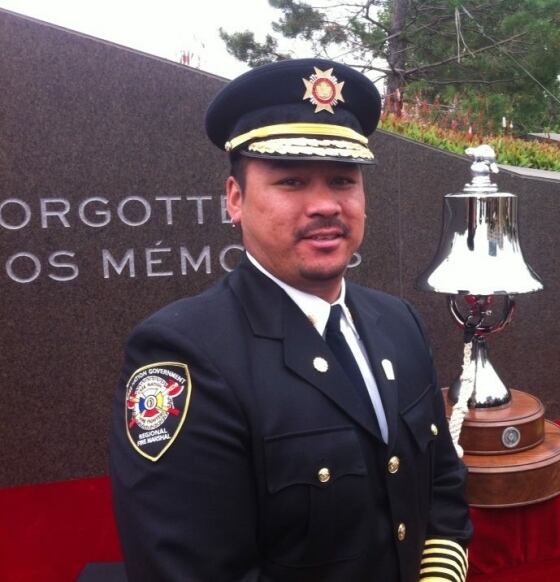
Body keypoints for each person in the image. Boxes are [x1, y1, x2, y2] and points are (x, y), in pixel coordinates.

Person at [109, 58, 472, 581]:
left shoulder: (400, 322)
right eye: (292, 181)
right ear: (235, 199)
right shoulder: (182, 355)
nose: (325, 205)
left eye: (343, 181)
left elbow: (441, 486)